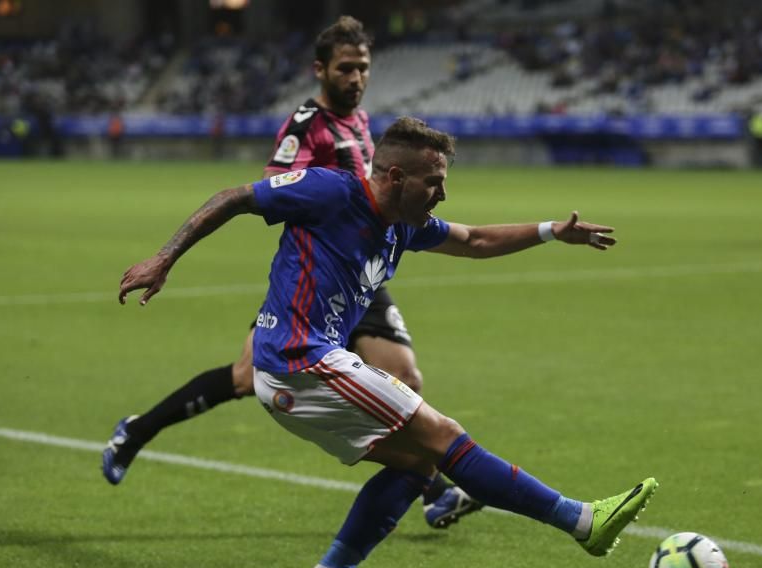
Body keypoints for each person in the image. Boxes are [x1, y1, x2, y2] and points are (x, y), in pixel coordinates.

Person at [117, 116, 659, 568]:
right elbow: (235, 197)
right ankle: (581, 521)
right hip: (300, 361)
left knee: (419, 465)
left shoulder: (405, 225)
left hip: (309, 368)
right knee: (443, 436)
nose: (442, 193)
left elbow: (472, 240)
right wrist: (165, 257)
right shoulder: (331, 192)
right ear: (396, 176)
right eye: (434, 181)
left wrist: (549, 231)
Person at [102, 16, 482, 529]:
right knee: (244, 376)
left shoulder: (362, 121)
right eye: (346, 68)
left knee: (407, 375)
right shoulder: (306, 124)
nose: (356, 78)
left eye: (363, 67)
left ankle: (428, 487)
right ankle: (137, 431)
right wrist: (333, 201)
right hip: (317, 275)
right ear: (320, 70)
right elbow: (273, 183)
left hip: (364, 271)